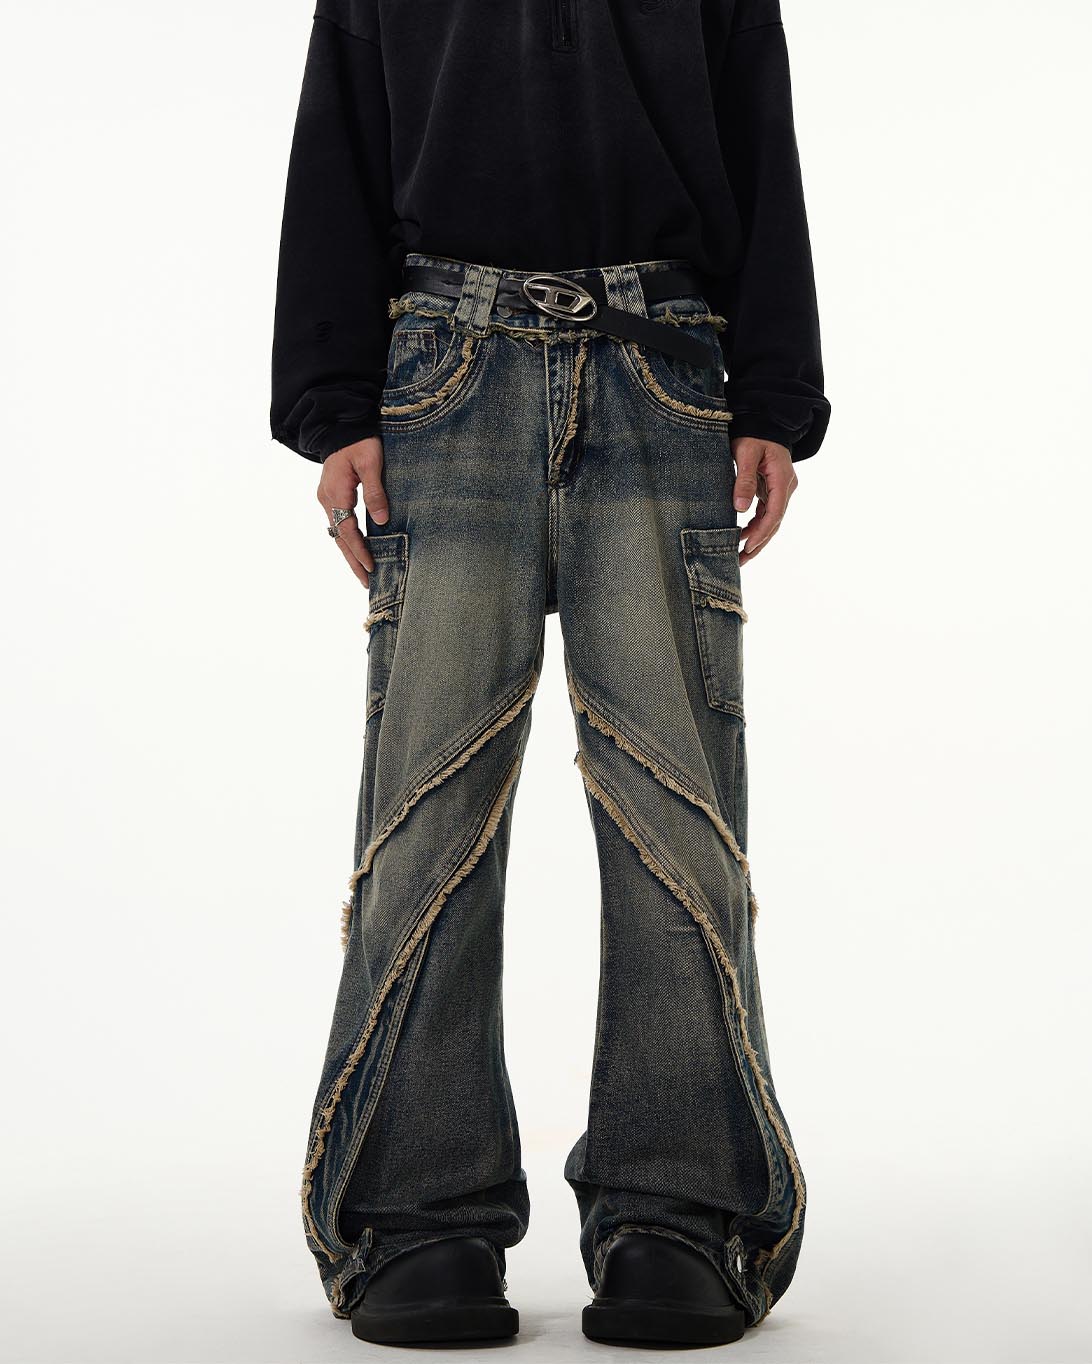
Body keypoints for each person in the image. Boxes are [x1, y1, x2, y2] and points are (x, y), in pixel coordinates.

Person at [271, 0, 829, 1347]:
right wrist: (334, 403)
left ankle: (676, 1214)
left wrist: (774, 392)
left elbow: (759, 127)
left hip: (667, 365)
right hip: (442, 370)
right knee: (427, 812)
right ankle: (419, 1220)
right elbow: (337, 137)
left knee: (675, 815)